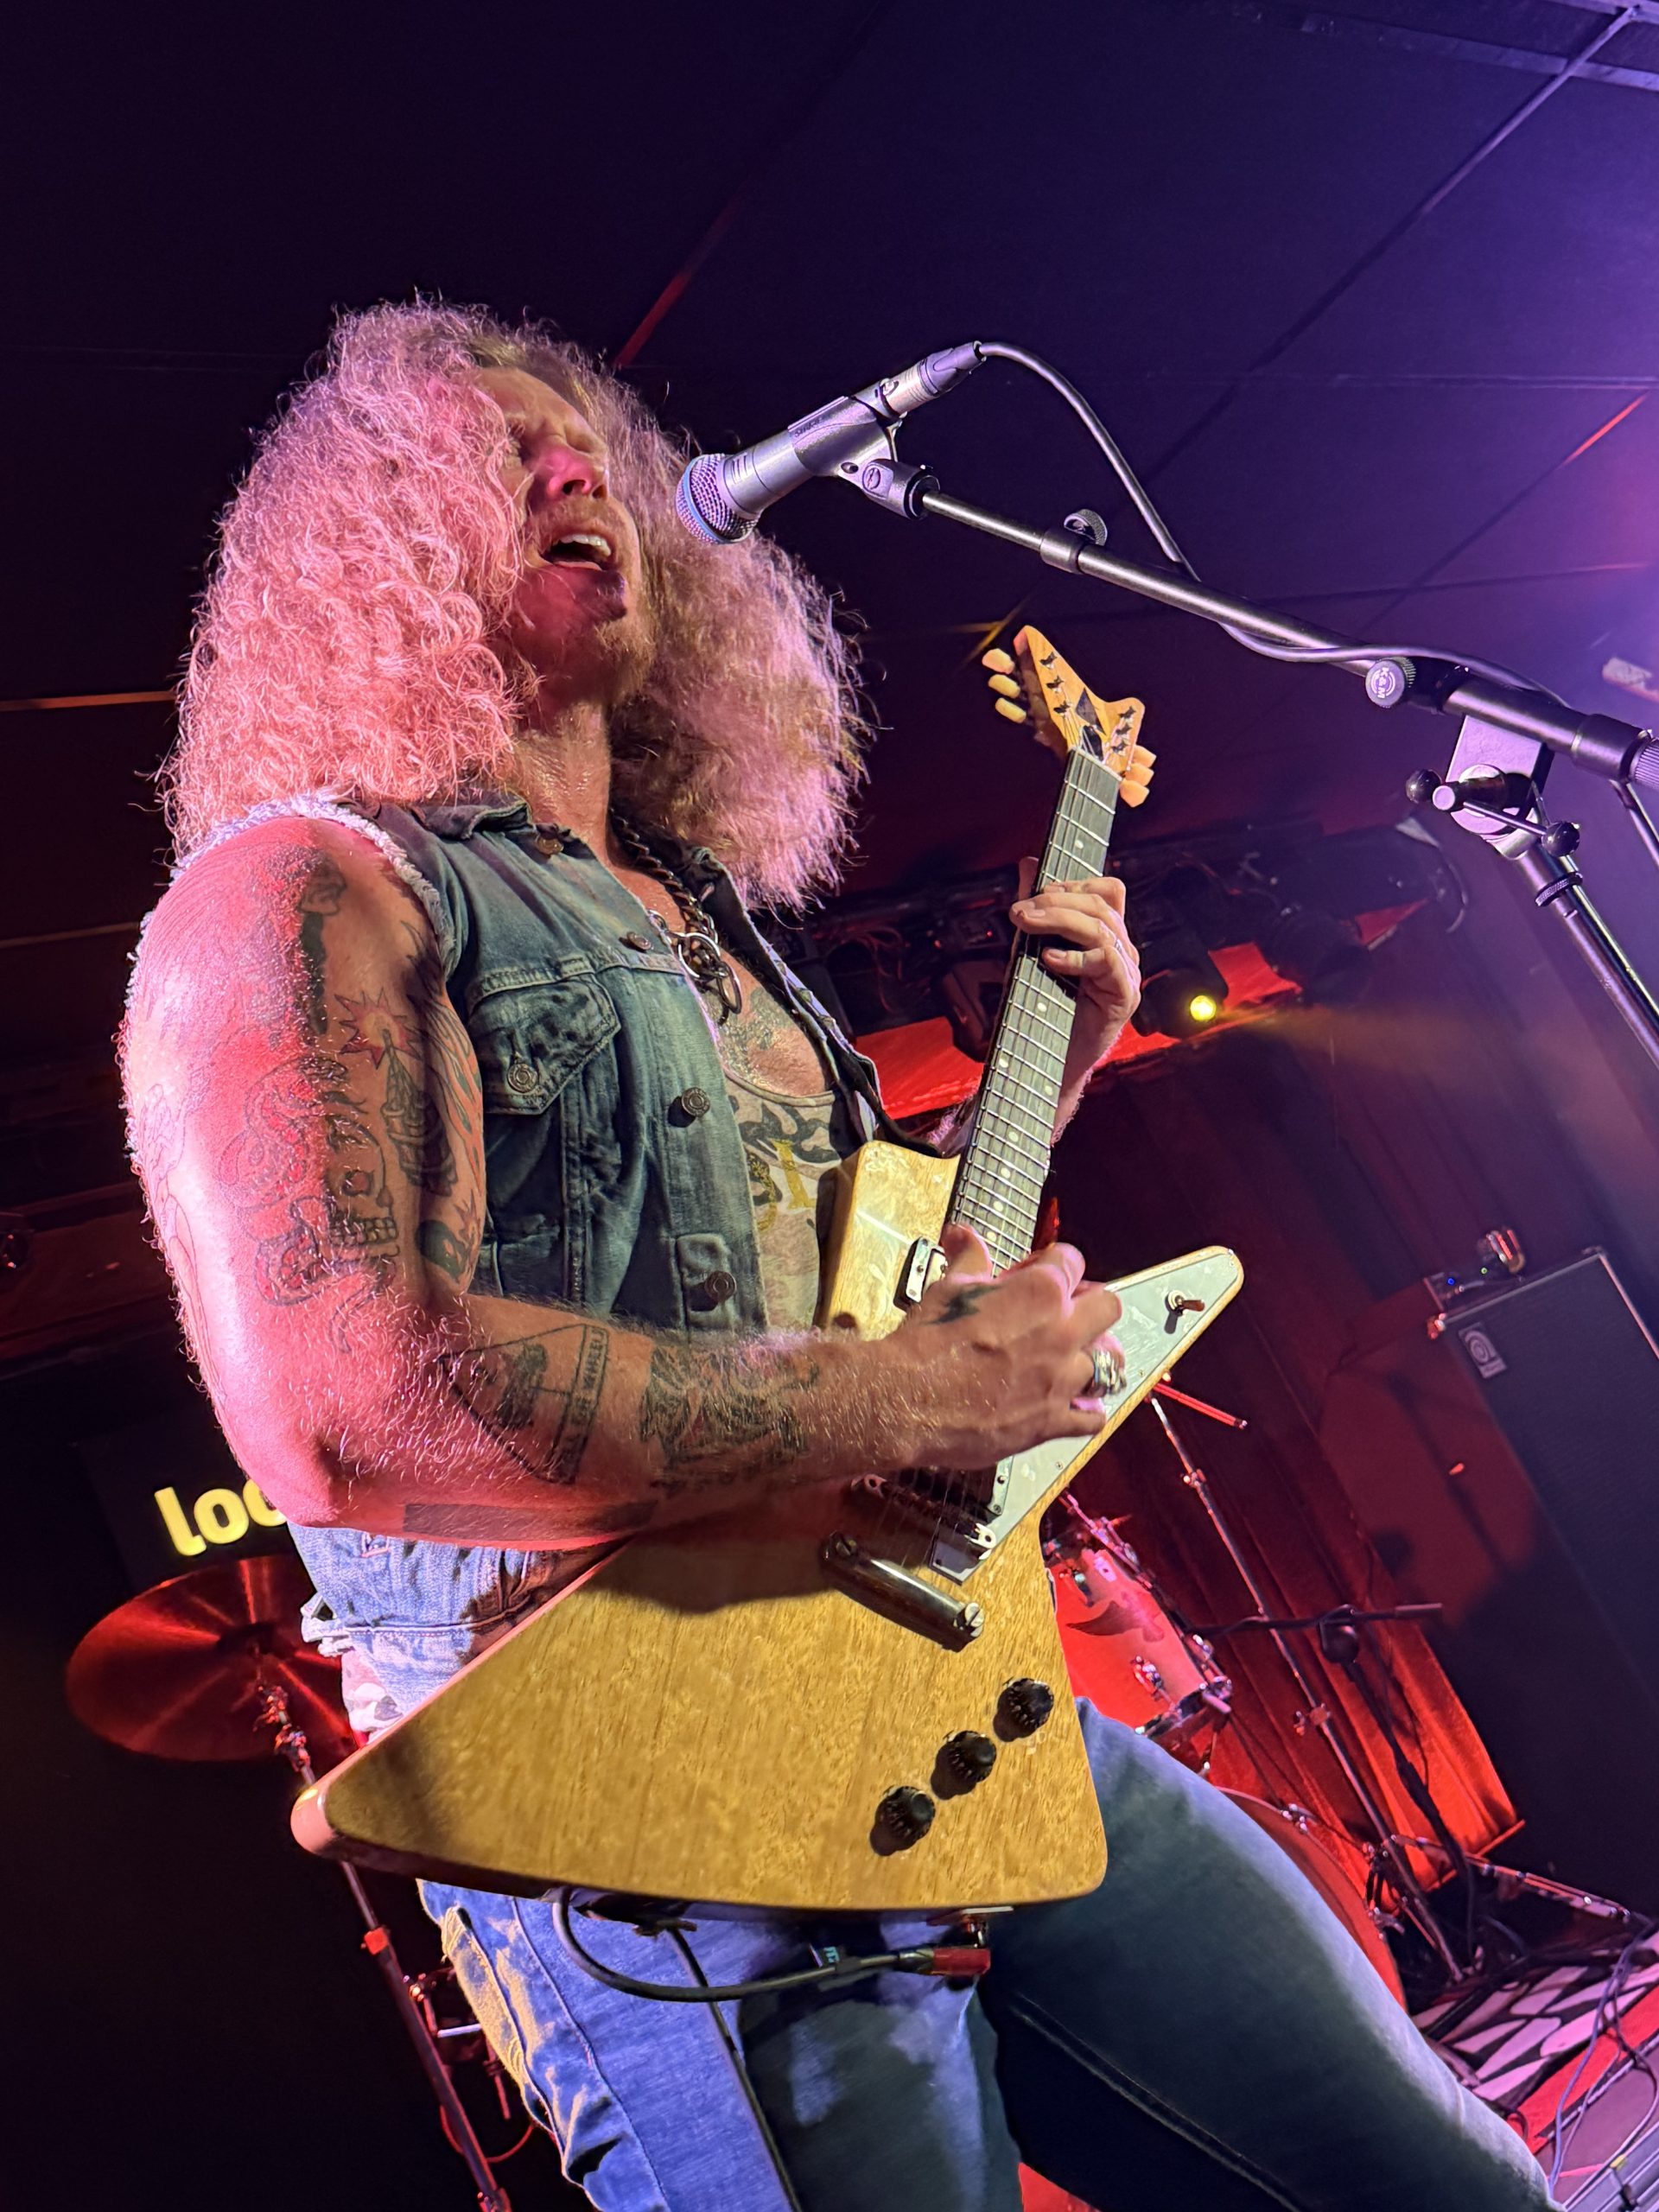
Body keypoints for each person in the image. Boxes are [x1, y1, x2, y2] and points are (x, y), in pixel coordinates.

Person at [122, 302, 1554, 2211]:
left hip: (960, 1716)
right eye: (497, 452)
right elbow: (346, 1404)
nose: (578, 468)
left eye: (588, 443)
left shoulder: (715, 924)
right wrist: (903, 1397)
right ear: (368, 547)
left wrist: (1061, 1071)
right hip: (661, 1832)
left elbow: (883, 1313)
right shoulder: (300, 886)